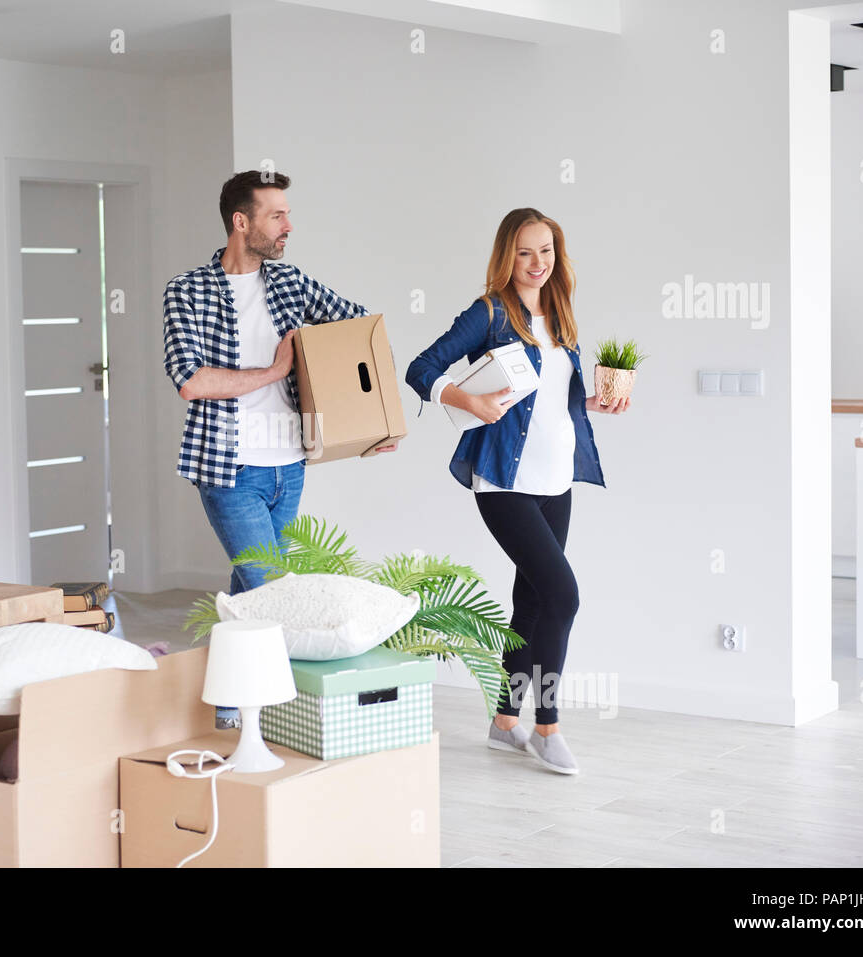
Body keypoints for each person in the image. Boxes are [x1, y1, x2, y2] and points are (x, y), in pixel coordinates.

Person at [162, 170, 397, 728]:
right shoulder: (187, 290)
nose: (288, 225)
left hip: (288, 467)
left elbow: (359, 335)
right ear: (241, 222)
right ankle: (279, 714)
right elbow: (191, 379)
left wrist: (372, 420)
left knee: (248, 592)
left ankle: (225, 709)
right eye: (276, 215)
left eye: (287, 214)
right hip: (229, 467)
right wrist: (273, 371)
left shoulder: (290, 282)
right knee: (272, 594)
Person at [405, 207, 629, 774]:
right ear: (508, 256)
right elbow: (421, 367)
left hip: (556, 480)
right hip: (504, 480)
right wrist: (468, 401)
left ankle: (505, 723)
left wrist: (594, 403)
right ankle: (548, 728)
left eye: (547, 251)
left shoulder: (559, 312)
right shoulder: (490, 313)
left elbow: (555, 400)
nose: (537, 263)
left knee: (532, 600)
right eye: (526, 252)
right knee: (563, 596)